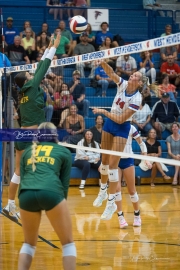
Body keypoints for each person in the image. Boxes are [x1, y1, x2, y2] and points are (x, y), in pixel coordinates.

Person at [2, 34, 61, 222]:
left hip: (22, 134)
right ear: (27, 81)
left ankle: (9, 204)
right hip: (34, 135)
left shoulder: (22, 94)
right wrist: (53, 47)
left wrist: (48, 47)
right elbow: (42, 67)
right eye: (28, 75)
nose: (31, 75)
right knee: (33, 171)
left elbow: (38, 68)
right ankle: (27, 206)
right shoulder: (32, 86)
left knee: (18, 171)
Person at [92, 59, 147, 221]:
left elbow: (122, 119)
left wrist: (104, 111)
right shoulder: (123, 84)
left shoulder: (137, 100)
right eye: (133, 74)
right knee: (104, 162)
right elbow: (112, 74)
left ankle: (111, 202)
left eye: (135, 75)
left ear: (139, 82)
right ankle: (103, 190)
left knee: (113, 167)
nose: (132, 75)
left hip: (121, 127)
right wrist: (102, 63)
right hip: (109, 124)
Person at [18, 122, 76, 270]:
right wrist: (57, 207)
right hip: (52, 193)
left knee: (29, 244)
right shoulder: (64, 152)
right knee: (68, 243)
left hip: (26, 194)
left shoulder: (27, 152)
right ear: (55, 135)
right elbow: (64, 186)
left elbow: (23, 179)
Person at [115, 125, 147, 228]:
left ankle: (137, 215)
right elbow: (105, 145)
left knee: (132, 190)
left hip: (128, 159)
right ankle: (120, 217)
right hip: (115, 159)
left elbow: (141, 143)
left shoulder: (131, 128)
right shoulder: (112, 127)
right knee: (117, 189)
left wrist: (145, 158)